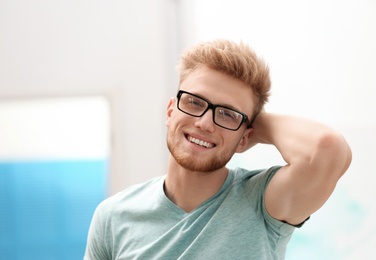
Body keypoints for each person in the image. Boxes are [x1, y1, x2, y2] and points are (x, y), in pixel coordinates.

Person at [84, 39, 352, 259]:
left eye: (226, 114)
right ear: (170, 111)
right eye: (193, 102)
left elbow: (327, 149)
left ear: (246, 138)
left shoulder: (263, 203)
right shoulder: (113, 217)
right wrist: (235, 122)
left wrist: (249, 125)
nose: (204, 123)